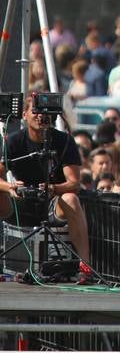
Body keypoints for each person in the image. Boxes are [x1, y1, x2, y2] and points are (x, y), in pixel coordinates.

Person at [0, 94, 91, 277]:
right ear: (24, 115)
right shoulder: (14, 141)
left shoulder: (64, 141)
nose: (40, 115)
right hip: (20, 203)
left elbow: (74, 183)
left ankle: (85, 267)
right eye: (35, 110)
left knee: (71, 199)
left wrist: (54, 189)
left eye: (44, 111)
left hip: (51, 202)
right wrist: (10, 187)